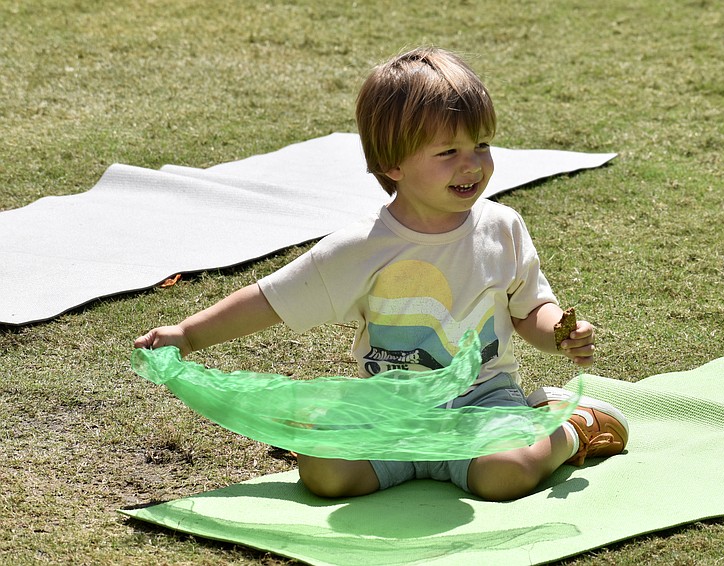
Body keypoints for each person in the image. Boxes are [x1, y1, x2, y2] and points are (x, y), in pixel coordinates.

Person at [134, 46, 628, 502]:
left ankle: (570, 423)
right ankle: (400, 454)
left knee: (505, 476)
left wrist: (559, 335)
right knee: (324, 474)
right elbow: (271, 300)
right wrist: (188, 334)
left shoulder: (501, 227)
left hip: (483, 404)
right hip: (391, 411)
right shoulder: (362, 247)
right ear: (392, 164)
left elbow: (530, 311)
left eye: (481, 145)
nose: (472, 164)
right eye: (447, 152)